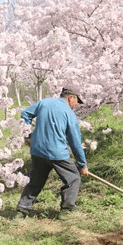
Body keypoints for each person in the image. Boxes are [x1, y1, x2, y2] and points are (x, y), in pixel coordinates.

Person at [16, 86, 90, 215]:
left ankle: (23, 208)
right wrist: (82, 164)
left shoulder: (44, 102)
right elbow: (75, 141)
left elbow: (25, 114)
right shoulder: (69, 113)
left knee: (36, 180)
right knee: (73, 178)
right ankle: (67, 210)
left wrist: (27, 135)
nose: (77, 104)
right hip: (57, 153)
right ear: (71, 97)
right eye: (77, 101)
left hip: (37, 150)